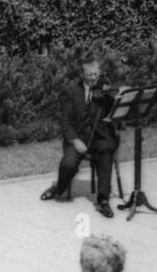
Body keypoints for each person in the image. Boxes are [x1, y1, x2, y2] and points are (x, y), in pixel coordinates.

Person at [40, 51, 120, 218]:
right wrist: (75, 141)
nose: (93, 78)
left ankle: (103, 200)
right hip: (77, 138)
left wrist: (115, 97)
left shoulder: (105, 91)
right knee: (68, 164)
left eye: (96, 74)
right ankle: (58, 188)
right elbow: (65, 121)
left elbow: (115, 114)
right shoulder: (71, 91)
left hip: (99, 138)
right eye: (90, 74)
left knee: (106, 153)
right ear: (82, 74)